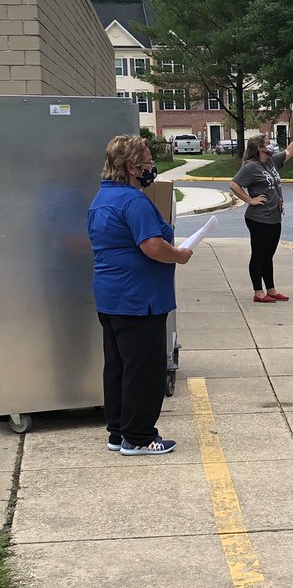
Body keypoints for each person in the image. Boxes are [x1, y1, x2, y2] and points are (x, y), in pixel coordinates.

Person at [88, 135, 193, 455]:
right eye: (147, 163)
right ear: (132, 168)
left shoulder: (102, 198)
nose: (151, 168)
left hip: (111, 296)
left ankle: (118, 431)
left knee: (118, 366)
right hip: (139, 299)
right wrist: (179, 254)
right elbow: (152, 247)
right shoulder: (134, 201)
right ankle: (139, 436)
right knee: (144, 370)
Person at [228, 129, 293, 302]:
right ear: (259, 148)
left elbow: (289, 152)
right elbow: (234, 185)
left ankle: (271, 289)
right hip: (258, 219)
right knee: (258, 254)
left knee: (268, 255)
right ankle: (258, 292)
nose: (270, 146)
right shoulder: (250, 167)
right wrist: (250, 200)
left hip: (274, 217)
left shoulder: (271, 161)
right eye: (267, 143)